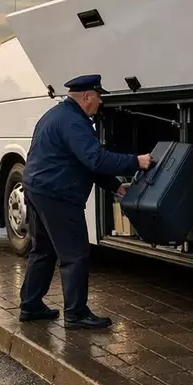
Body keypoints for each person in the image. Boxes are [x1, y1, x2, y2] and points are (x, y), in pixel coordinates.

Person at [19, 75, 153, 330]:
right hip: (58, 194)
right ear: (87, 96)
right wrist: (137, 161)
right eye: (99, 98)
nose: (100, 104)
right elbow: (96, 159)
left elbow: (84, 162)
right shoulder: (74, 122)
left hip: (38, 189)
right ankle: (76, 314)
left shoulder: (56, 115)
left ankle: (31, 305)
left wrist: (116, 186)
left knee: (43, 250)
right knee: (75, 254)